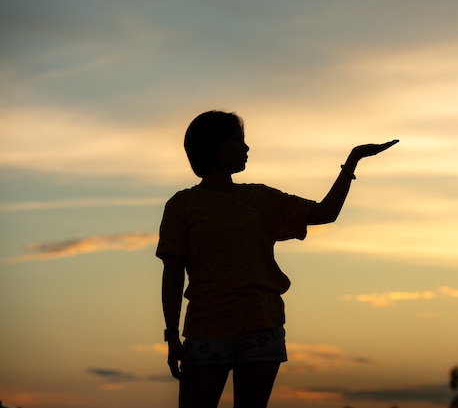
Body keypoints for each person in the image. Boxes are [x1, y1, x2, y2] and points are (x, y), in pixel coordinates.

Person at [157, 110, 398, 408]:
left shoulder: (258, 198)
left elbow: (325, 213)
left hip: (261, 327)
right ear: (215, 146)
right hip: (207, 329)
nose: (246, 148)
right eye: (238, 140)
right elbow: (173, 273)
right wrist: (171, 336)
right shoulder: (182, 205)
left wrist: (352, 161)